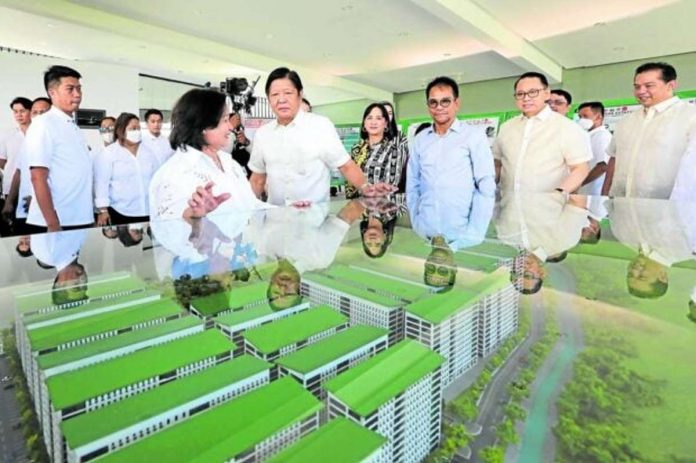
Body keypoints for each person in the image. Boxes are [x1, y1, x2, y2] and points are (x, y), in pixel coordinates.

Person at [249, 67, 382, 206]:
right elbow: (258, 179)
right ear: (268, 98)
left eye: (288, 93)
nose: (281, 99)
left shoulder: (320, 126)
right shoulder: (263, 134)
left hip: (315, 220)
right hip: (276, 221)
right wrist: (244, 213)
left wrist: (367, 189)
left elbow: (346, 166)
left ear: (300, 95)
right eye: (275, 94)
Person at [149, 88, 264, 222]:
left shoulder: (229, 163)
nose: (230, 128)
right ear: (204, 124)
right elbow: (166, 226)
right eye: (225, 120)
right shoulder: (175, 173)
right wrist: (192, 216)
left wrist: (289, 211)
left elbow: (251, 205)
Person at [407, 76, 496, 236]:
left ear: (456, 103)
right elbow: (412, 185)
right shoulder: (421, 140)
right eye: (433, 102)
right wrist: (417, 224)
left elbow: (486, 186)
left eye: (445, 101)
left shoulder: (473, 136)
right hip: (426, 228)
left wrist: (475, 231)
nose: (439, 107)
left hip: (462, 230)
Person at [602, 62, 696, 199]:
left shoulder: (690, 116)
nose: (641, 91)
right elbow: (614, 158)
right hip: (622, 204)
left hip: (668, 209)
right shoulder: (626, 122)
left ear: (671, 85)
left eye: (649, 86)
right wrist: (605, 193)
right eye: (637, 87)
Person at [493, 72, 590, 193]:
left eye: (533, 92)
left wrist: (559, 193)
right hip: (508, 203)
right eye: (520, 94)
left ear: (546, 93)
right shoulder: (507, 127)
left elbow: (580, 169)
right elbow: (497, 163)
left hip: (550, 206)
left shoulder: (566, 127)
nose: (526, 98)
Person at [26, 65, 93, 233]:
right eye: (70, 89)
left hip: (78, 217)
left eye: (79, 88)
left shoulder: (72, 126)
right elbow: (38, 177)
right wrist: (53, 223)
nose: (77, 94)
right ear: (52, 93)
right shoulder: (44, 124)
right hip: (56, 223)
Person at [94, 112, 159, 226]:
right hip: (120, 211)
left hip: (147, 210)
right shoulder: (109, 153)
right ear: (121, 130)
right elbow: (101, 183)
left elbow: (157, 179)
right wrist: (103, 210)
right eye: (133, 128)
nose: (137, 132)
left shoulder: (148, 152)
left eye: (138, 128)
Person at [2, 97, 51, 235]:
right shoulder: (26, 140)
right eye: (36, 112)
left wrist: (36, 198)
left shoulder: (59, 140)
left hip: (47, 206)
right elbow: (19, 171)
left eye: (43, 112)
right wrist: (10, 201)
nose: (39, 116)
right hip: (22, 201)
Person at [345, 103, 406, 199]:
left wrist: (366, 189)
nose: (373, 122)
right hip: (356, 208)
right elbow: (349, 181)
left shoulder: (393, 150)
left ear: (386, 123)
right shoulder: (356, 149)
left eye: (378, 118)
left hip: (381, 208)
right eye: (369, 118)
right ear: (364, 123)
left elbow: (390, 187)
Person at [1, 97, 32, 235]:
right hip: (11, 189)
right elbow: (2, 161)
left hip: (34, 188)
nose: (18, 115)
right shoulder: (7, 135)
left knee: (32, 228)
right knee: (13, 229)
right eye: (15, 112)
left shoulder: (38, 133)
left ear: (30, 111)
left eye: (22, 111)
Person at [576, 102, 612, 196]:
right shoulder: (588, 136)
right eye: (580, 117)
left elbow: (603, 166)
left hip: (594, 191)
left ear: (598, 117)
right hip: (584, 191)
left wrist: (578, 183)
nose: (582, 120)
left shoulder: (602, 136)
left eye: (585, 116)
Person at [228, 111, 252, 177]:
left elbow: (255, 152)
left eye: (239, 119)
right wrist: (231, 128)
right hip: (234, 174)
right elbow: (225, 152)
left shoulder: (244, 133)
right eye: (234, 119)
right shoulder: (226, 135)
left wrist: (246, 142)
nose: (238, 121)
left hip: (248, 172)